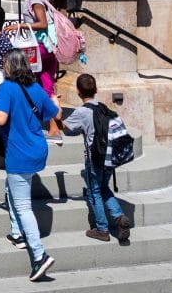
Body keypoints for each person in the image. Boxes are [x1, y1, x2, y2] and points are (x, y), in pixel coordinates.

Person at [0, 49, 61, 283]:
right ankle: (16, 232)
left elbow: (1, 118)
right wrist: (53, 99)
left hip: (19, 152)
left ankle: (39, 254)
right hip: (37, 150)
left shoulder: (7, 88)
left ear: (9, 67)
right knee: (16, 192)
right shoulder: (35, 88)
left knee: (24, 206)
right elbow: (54, 112)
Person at [60, 73, 132, 244]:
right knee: (103, 187)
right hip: (110, 158)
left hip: (94, 159)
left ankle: (102, 229)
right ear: (96, 90)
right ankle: (119, 217)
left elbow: (65, 128)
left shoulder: (82, 112)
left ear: (78, 92)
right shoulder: (104, 108)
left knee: (94, 192)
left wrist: (57, 108)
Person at [5, 0, 61, 141]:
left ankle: (46, 123)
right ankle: (54, 124)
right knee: (47, 84)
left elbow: (43, 23)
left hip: (40, 47)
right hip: (48, 47)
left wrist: (19, 25)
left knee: (28, 83)